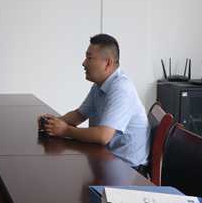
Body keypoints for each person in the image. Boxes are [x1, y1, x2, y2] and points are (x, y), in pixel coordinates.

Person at [39, 34, 150, 173]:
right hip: (108, 158)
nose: (84, 63)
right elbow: (79, 115)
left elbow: (103, 136)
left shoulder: (121, 89)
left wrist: (65, 130)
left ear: (107, 63)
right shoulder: (99, 85)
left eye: (89, 58)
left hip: (129, 170)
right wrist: (52, 123)